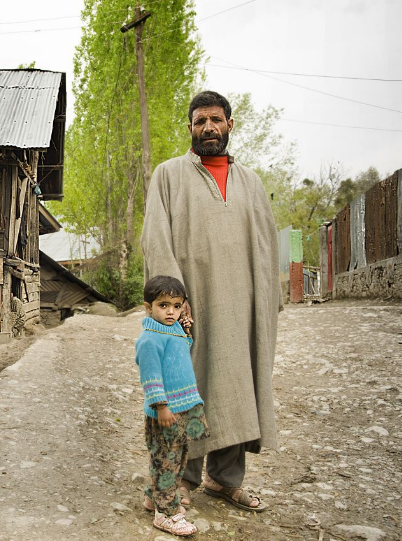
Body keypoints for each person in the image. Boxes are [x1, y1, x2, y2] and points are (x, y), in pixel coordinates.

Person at [141, 90, 281, 512]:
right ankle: (183, 479)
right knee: (189, 384)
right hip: (190, 305)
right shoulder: (168, 175)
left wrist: (266, 304)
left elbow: (266, 246)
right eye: (200, 121)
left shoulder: (251, 183)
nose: (209, 128)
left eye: (216, 120)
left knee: (236, 385)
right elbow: (156, 239)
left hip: (241, 307)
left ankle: (224, 479)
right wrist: (172, 304)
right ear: (190, 127)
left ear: (230, 126)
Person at [136, 276, 208, 537]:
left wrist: (185, 330)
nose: (171, 312)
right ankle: (165, 513)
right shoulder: (149, 340)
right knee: (166, 460)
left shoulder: (171, 329)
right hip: (166, 411)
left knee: (176, 459)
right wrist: (161, 407)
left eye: (176, 306)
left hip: (183, 407)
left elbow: (181, 351)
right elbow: (151, 377)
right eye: (163, 305)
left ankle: (152, 498)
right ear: (148, 306)